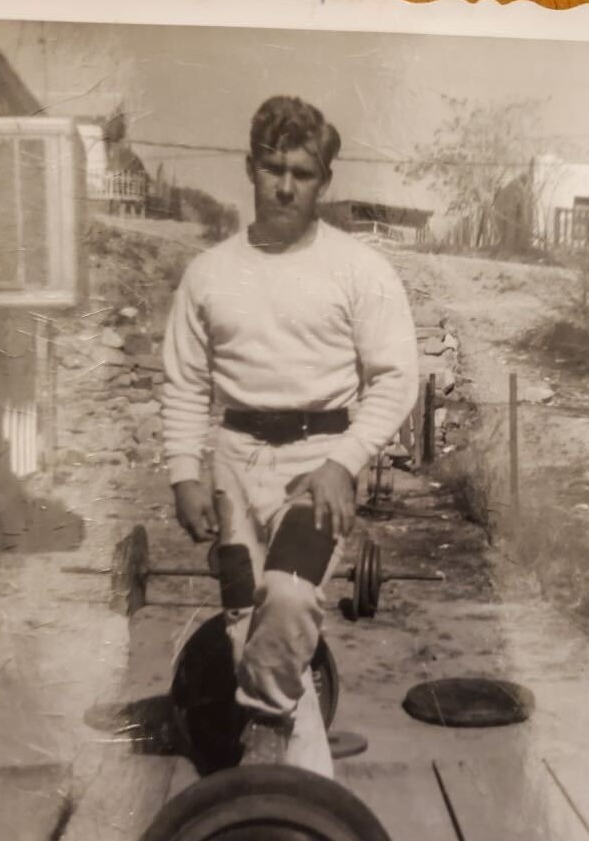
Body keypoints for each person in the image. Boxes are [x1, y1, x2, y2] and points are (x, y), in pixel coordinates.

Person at [161, 96, 418, 776]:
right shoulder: (209, 273)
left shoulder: (359, 269)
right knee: (247, 621)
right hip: (234, 463)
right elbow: (185, 382)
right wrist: (186, 472)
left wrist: (344, 462)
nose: (283, 186)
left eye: (301, 173)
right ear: (249, 168)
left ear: (323, 180)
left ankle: (268, 732)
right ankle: (295, 793)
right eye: (272, 168)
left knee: (291, 595)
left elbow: (396, 378)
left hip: (317, 463)